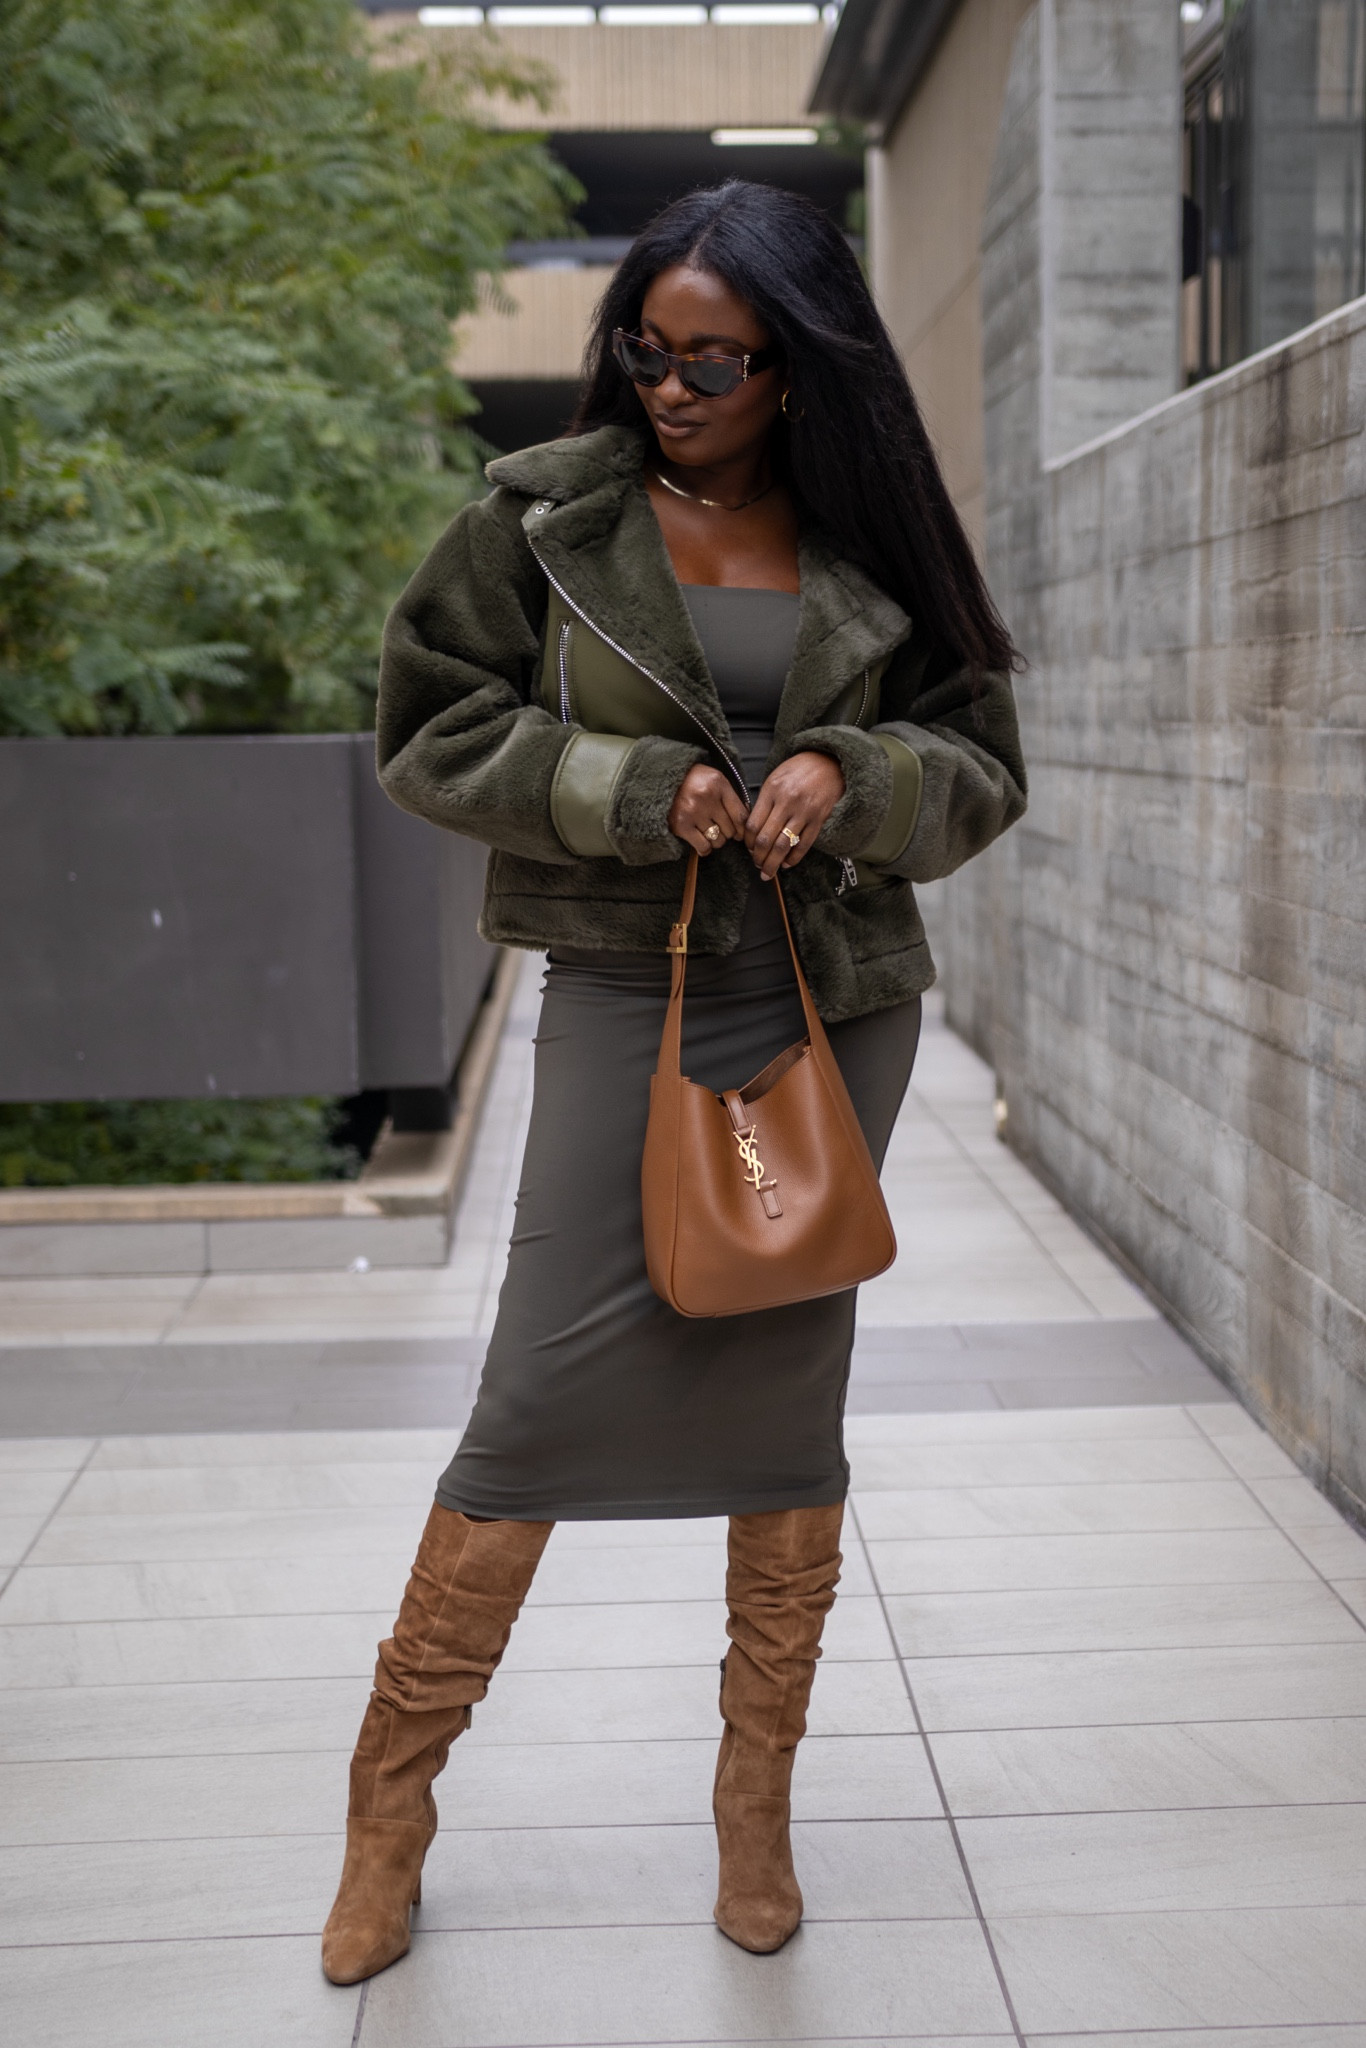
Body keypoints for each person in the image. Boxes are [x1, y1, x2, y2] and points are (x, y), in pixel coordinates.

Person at [320, 180, 1026, 1985]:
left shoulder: (875, 541)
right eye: (648, 345)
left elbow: (975, 759)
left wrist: (850, 776)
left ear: (800, 367)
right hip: (630, 978)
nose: (672, 383)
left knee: (786, 1384)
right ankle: (387, 1810)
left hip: (829, 994)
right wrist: (631, 795)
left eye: (718, 357)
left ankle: (753, 1809)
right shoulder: (540, 521)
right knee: (537, 1392)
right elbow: (431, 727)